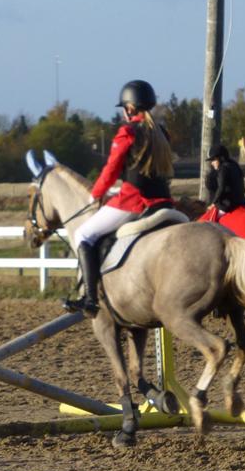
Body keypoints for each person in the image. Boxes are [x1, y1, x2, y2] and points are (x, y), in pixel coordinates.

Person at [64, 79, 174, 317]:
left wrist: (96, 194)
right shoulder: (161, 132)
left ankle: (90, 299)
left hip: (134, 201)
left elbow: (112, 169)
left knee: (83, 234)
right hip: (164, 199)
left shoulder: (128, 132)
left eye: (124, 108)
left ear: (130, 108)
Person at [203, 144, 245, 220]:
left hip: (228, 205)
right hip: (242, 202)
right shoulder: (235, 165)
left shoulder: (223, 169)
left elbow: (221, 188)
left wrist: (213, 203)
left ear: (221, 158)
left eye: (213, 160)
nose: (212, 163)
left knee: (210, 223)